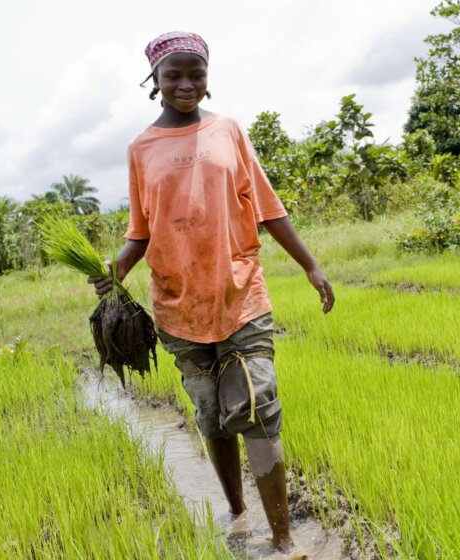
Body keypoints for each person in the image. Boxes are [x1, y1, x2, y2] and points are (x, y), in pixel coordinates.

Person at [89, 31, 334, 555]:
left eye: (195, 73)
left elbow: (268, 208)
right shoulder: (141, 148)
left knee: (258, 406)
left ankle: (285, 540)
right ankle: (238, 513)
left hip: (240, 294)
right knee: (211, 417)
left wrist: (311, 266)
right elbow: (141, 230)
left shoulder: (229, 132)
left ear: (208, 76)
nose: (185, 84)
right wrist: (117, 271)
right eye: (172, 75)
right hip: (178, 305)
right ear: (153, 82)